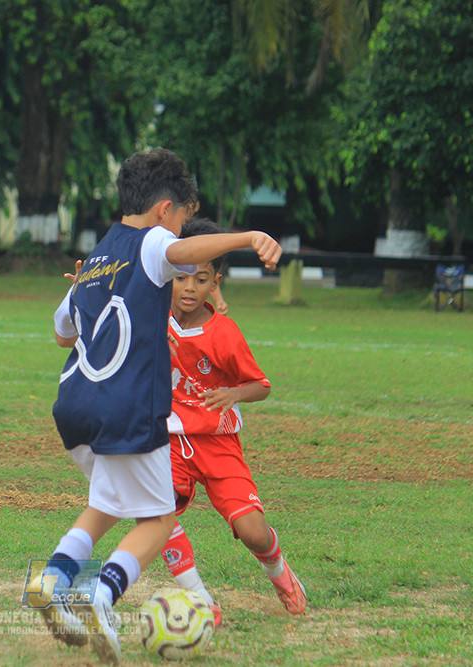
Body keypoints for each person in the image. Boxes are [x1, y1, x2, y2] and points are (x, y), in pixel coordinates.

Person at [33, 148, 281, 664]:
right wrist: (247, 237)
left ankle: (54, 577)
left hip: (75, 407)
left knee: (105, 506)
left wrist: (87, 288)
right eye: (183, 222)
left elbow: (63, 334)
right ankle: (100, 597)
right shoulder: (153, 244)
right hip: (128, 409)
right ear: (165, 210)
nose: (183, 237)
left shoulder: (99, 255)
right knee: (159, 519)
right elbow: (182, 255)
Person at [160, 217, 306, 625]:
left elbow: (261, 384)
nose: (189, 288)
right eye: (182, 278)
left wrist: (232, 393)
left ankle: (280, 573)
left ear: (214, 284)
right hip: (168, 441)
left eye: (201, 280)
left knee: (253, 532)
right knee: (156, 514)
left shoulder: (224, 334)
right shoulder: (152, 319)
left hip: (218, 443)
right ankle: (201, 600)